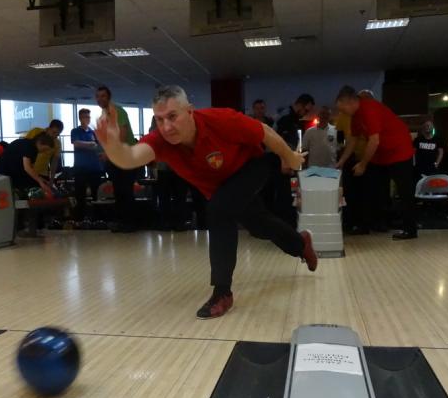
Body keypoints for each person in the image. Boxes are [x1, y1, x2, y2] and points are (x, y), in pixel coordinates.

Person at [94, 85, 317, 320]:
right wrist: (112, 146)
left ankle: (222, 293)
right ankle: (300, 243)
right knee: (258, 225)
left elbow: (264, 132)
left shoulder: (220, 120)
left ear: (190, 111)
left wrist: (290, 156)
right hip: (223, 188)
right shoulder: (162, 140)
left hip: (253, 166)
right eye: (159, 119)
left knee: (219, 210)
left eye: (172, 116)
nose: (166, 127)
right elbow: (129, 158)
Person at [335, 85, 417, 240]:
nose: (342, 113)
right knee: (368, 187)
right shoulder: (355, 115)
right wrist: (342, 161)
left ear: (350, 102)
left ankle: (410, 229)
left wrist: (363, 164)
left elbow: (374, 140)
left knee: (404, 190)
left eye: (342, 109)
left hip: (399, 149)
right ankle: (364, 225)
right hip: (380, 152)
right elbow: (353, 139)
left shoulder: (369, 109)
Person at [96, 85, 137, 232]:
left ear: (109, 97)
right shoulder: (103, 116)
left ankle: (129, 223)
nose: (100, 99)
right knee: (119, 191)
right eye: (98, 96)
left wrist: (109, 153)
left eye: (103, 96)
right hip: (115, 158)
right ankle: (122, 222)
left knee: (125, 190)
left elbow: (123, 134)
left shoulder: (118, 111)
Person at [271, 94, 315, 227]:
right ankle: (283, 226)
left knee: (293, 194)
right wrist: (284, 162)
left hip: (292, 165)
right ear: (300, 105)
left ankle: (290, 224)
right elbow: (277, 142)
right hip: (283, 166)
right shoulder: (285, 118)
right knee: (283, 195)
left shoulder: (296, 120)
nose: (306, 113)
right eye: (306, 110)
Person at [71, 108, 103, 221]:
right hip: (80, 168)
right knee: (80, 195)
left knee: (96, 195)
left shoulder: (93, 132)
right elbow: (76, 143)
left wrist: (92, 145)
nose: (87, 119)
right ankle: (79, 220)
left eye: (88, 117)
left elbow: (99, 146)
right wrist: (91, 144)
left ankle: (97, 219)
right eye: (85, 117)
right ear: (80, 118)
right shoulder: (75, 131)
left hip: (95, 168)